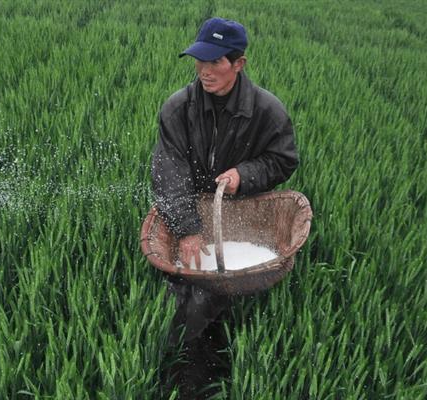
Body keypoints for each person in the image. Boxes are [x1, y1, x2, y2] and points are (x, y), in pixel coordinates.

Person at [152, 17, 299, 398]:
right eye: (200, 60)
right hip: (189, 208)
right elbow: (168, 170)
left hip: (240, 215)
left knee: (215, 294)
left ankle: (217, 343)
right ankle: (176, 358)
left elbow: (283, 160)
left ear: (239, 64)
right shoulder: (177, 108)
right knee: (182, 289)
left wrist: (244, 175)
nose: (204, 70)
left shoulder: (268, 111)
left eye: (215, 61)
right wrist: (186, 228)